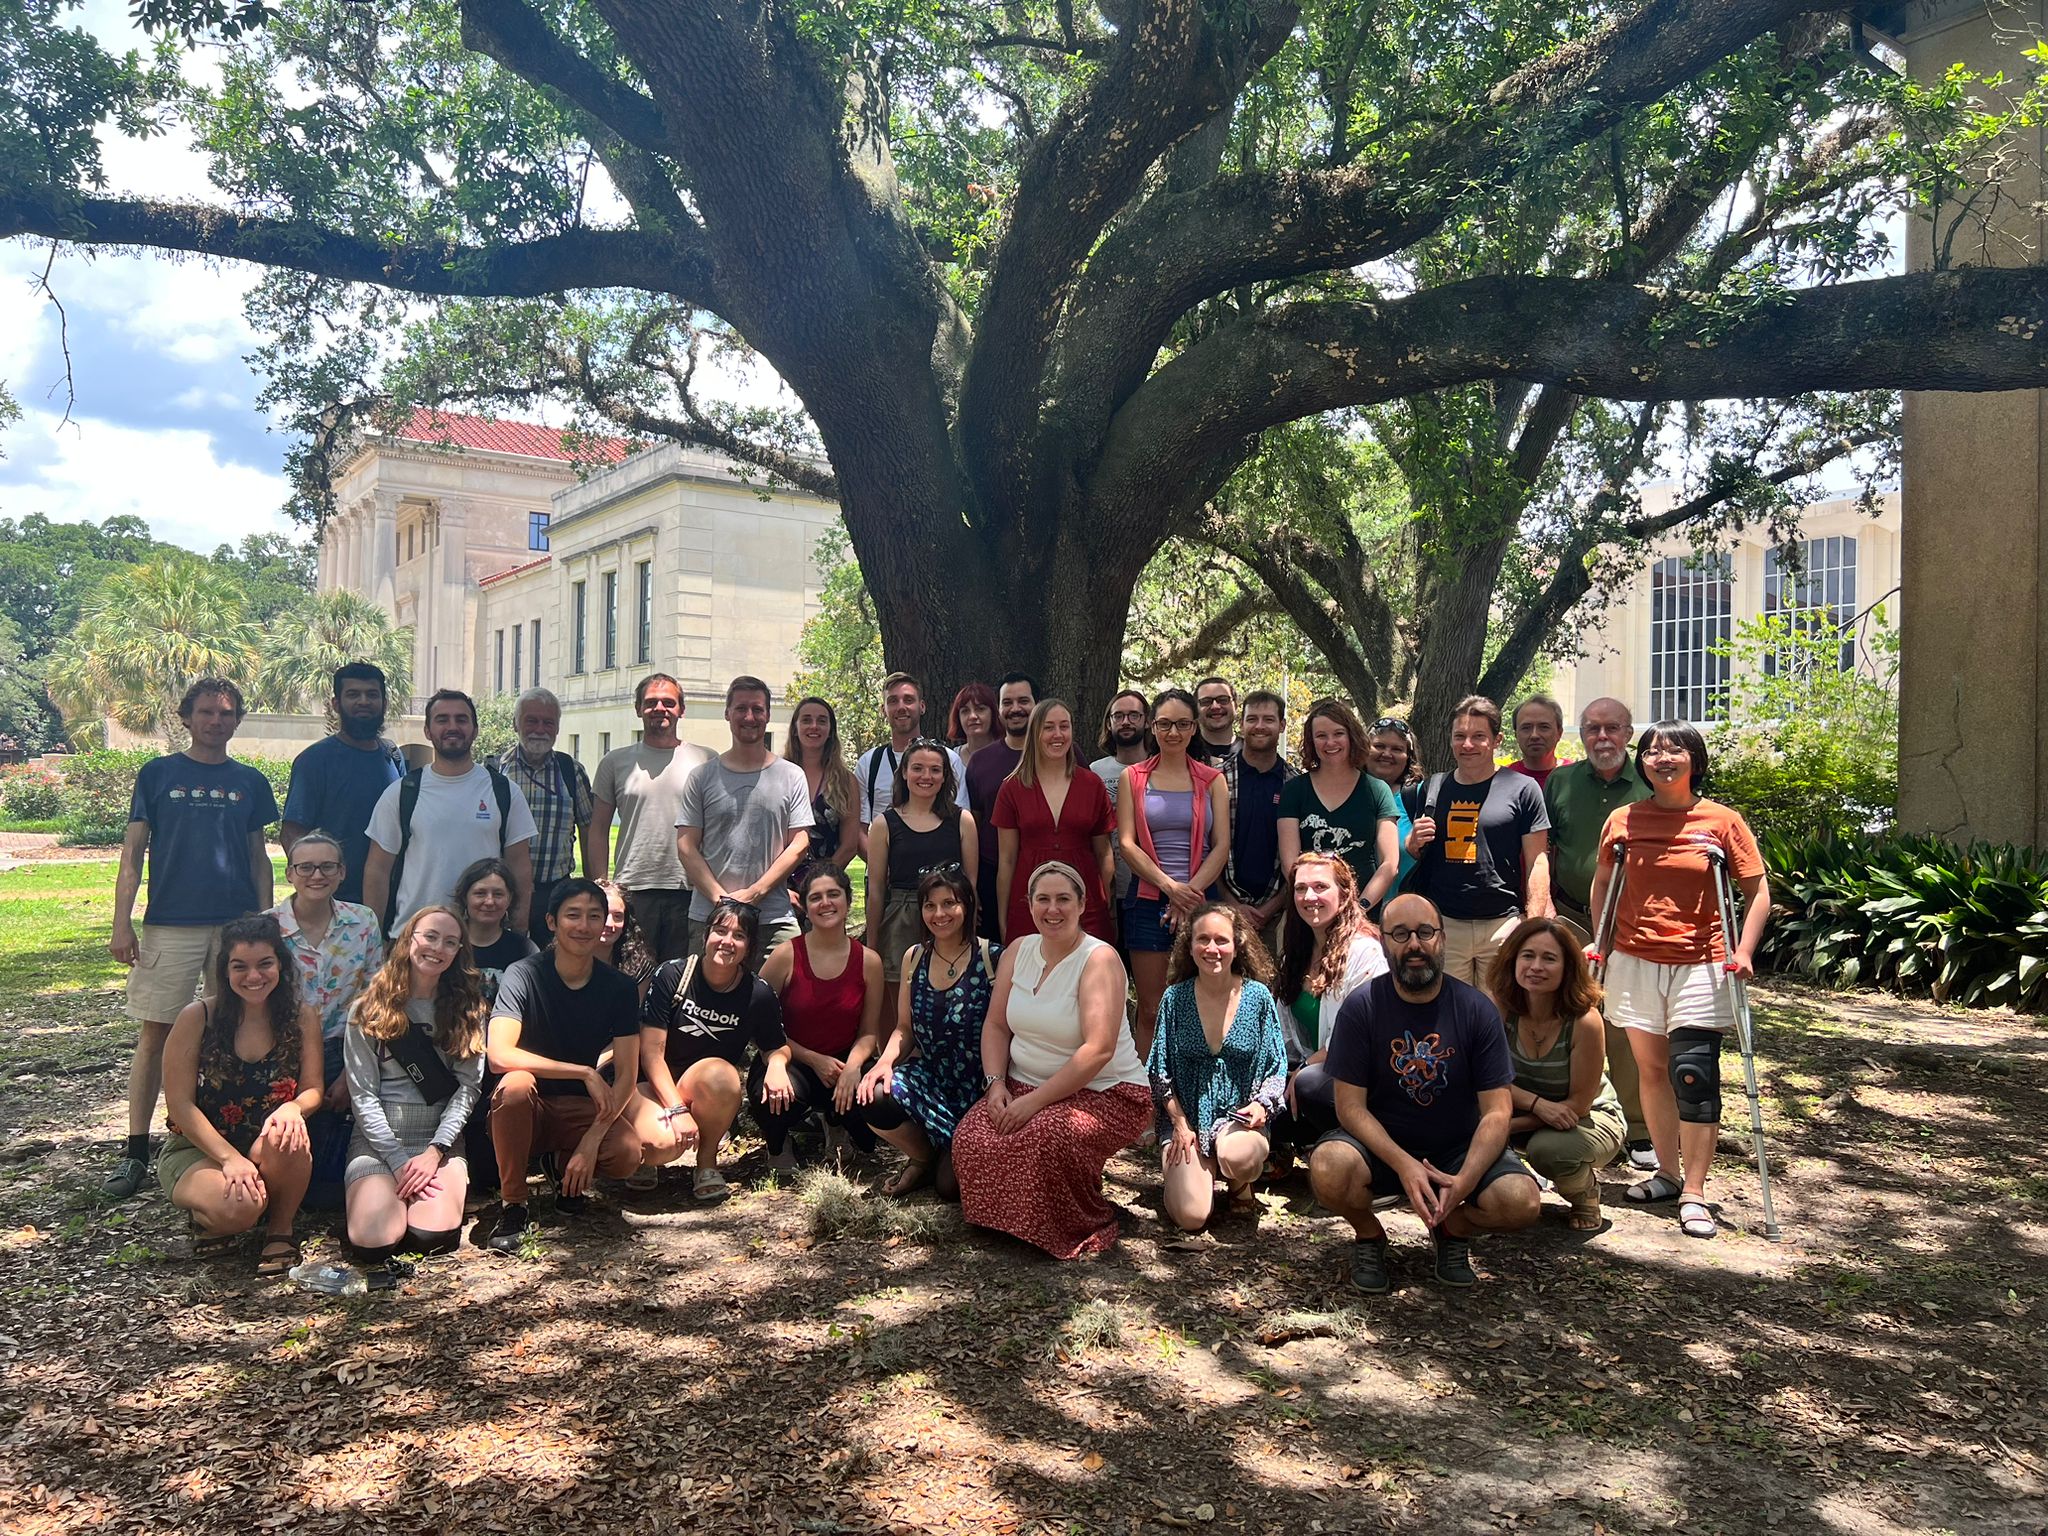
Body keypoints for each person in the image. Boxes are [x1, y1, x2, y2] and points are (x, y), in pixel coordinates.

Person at [1589, 721, 1769, 1242]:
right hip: (1635, 959)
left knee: (1692, 1071)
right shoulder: (1623, 820)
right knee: (1650, 1068)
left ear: (1695, 758)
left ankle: (1695, 1190)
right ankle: (1666, 1173)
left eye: (1674, 750)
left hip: (1703, 961)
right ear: (1640, 763)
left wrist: (1744, 950)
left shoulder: (1721, 821)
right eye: (1651, 751)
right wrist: (1602, 940)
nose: (1661, 758)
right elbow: (1603, 882)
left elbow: (1757, 892)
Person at [1307, 893, 1541, 1292]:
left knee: (1520, 1201)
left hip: (1457, 1147)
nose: (1414, 944)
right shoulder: (1361, 1007)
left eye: (1425, 932)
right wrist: (1403, 1163)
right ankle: (1369, 1236)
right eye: (1400, 934)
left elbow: (1498, 1112)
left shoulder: (1476, 1009)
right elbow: (1349, 1108)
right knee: (1328, 1167)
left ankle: (1451, 1227)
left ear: (1442, 940)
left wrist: (1465, 1180)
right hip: (1380, 1149)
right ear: (1384, 943)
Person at [106, 678, 280, 1199]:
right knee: (156, 1034)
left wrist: (266, 921)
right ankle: (137, 1149)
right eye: (206, 712)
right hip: (170, 922)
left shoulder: (250, 781)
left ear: (237, 721)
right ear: (186, 717)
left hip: (235, 928)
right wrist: (122, 921)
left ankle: (216, 1138)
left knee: (228, 1032)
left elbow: (258, 859)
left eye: (226, 714)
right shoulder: (158, 774)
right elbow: (134, 853)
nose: (216, 721)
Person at [952, 863, 1151, 1259]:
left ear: (1082, 905)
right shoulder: (1018, 951)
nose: (1052, 909)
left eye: (1063, 899)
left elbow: (1098, 1050)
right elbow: (995, 1026)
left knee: (1046, 1140)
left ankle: (1080, 1219)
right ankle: (1012, 1220)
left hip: (1104, 1092)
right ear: (1029, 905)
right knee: (971, 1137)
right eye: (1043, 899)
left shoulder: (1099, 959)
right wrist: (996, 1085)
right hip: (1021, 1085)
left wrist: (1034, 1101)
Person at [157, 914, 323, 1277]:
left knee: (290, 1134)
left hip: (267, 1141)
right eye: (240, 967)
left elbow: (313, 1089)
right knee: (240, 1210)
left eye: (265, 964)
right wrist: (230, 1159)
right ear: (225, 970)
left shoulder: (301, 1016)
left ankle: (280, 1230)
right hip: (198, 1147)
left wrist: (294, 1107)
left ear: (281, 964)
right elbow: (180, 1106)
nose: (254, 977)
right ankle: (211, 1217)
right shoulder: (198, 1016)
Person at [484, 880, 644, 1253]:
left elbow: (627, 1075)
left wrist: (590, 1142)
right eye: (573, 915)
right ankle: (514, 1204)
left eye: (594, 916)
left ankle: (560, 1166)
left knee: (626, 1153)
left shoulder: (619, 987)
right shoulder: (523, 974)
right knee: (516, 1084)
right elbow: (499, 1055)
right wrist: (583, 1071)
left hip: (579, 1110)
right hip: (526, 1107)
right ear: (552, 922)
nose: (584, 926)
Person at [1545, 696, 1654, 1168]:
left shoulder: (1652, 782)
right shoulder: (1561, 781)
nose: (1602, 737)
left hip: (1632, 923)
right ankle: (1571, 1113)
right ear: (1581, 734)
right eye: (1592, 728)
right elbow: (1545, 847)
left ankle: (1641, 1129)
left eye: (1612, 728)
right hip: (1571, 918)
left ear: (1629, 733)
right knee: (1564, 1019)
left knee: (1625, 1025)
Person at [342, 905, 486, 1260]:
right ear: (409, 940)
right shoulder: (368, 1008)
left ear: (457, 953)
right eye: (430, 937)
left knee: (427, 1237)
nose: (438, 948)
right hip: (378, 1140)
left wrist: (435, 1152)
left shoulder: (468, 1010)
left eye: (450, 942)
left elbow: (469, 1087)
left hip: (439, 1139)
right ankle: (377, 1193)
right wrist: (396, 1161)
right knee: (375, 1239)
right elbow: (362, 1095)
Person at [630, 898, 793, 1201]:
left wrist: (777, 1066)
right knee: (659, 1147)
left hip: (706, 1086)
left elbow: (776, 1047)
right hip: (652, 1084)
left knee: (724, 1076)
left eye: (739, 935)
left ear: (750, 947)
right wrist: (676, 1108)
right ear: (705, 935)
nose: (727, 941)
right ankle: (645, 1155)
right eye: (720, 931)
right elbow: (651, 1053)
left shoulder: (757, 993)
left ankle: (706, 1164)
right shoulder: (672, 975)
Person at [857, 867, 1000, 1197]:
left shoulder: (992, 957)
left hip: (980, 1088)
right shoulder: (915, 957)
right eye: (930, 905)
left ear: (967, 905)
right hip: (932, 1078)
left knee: (950, 1188)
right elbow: (904, 1029)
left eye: (949, 903)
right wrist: (883, 1064)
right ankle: (922, 1157)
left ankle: (952, 1153)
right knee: (874, 1095)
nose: (940, 914)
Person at [1149, 905, 1288, 1232]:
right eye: (1203, 939)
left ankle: (1237, 1180)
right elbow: (1158, 1071)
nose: (1212, 949)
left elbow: (1276, 1065)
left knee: (1239, 1156)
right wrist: (1180, 1124)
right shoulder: (1174, 999)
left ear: (1237, 944)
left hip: (1237, 1119)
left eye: (1221, 940)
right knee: (1192, 1217)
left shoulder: (1258, 997)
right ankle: (1200, 1173)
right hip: (1187, 1122)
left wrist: (1261, 1105)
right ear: (1190, 945)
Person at [267, 829, 384, 1207]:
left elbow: (375, 1000)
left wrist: (351, 1075)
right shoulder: (266, 928)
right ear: (290, 873)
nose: (316, 875)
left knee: (327, 1184)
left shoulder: (363, 922)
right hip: (283, 1052)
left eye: (327, 867)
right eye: (306, 867)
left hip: (346, 1048)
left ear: (342, 872)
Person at [1402, 695, 1552, 985]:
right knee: (1450, 1018)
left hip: (1502, 924)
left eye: (1478, 736)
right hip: (1444, 924)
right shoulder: (1432, 788)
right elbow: (1417, 852)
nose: (1467, 744)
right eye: (1460, 736)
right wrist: (1413, 843)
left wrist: (1531, 927)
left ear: (1497, 740)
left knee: (1498, 1018)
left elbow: (1537, 861)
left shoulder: (1522, 788)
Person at [1486, 918, 1625, 1231]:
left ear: (1568, 967)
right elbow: (1483, 1080)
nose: (1536, 966)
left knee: (1548, 1150)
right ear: (1512, 960)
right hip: (1523, 1114)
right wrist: (1534, 1106)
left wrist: (1505, 1128)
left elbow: (1577, 1105)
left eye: (1549, 958)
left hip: (1587, 1119)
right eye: (1527, 956)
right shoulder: (1498, 1008)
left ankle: (1584, 1196)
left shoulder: (1584, 1021)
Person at [364, 689, 537, 938]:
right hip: (414, 938)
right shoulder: (402, 793)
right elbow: (377, 870)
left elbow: (520, 867)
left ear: (475, 730)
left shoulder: (504, 791)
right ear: (427, 730)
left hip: (482, 938)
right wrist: (374, 939)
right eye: (442, 720)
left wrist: (519, 931)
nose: (452, 726)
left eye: (461, 719)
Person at [1118, 688, 1231, 1058]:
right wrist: (1170, 888)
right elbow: (1127, 844)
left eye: (1182, 724)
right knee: (1151, 1009)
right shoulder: (1132, 778)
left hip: (1202, 905)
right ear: (1153, 726)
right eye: (1165, 724)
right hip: (1150, 903)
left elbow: (1221, 846)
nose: (1173, 733)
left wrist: (1190, 894)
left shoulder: (1213, 780)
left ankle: (1195, 1091)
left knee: (1200, 1005)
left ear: (1194, 728)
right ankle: (1145, 1101)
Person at [676, 676, 816, 961]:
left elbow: (800, 842)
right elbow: (686, 846)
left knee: (781, 1001)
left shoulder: (791, 775)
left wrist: (755, 893)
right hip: (710, 917)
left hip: (773, 919)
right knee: (706, 1002)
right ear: (727, 714)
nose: (749, 717)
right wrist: (721, 901)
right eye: (741, 708)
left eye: (757, 709)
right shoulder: (702, 777)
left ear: (768, 715)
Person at [757, 865, 885, 1171]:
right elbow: (760, 1025)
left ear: (848, 900)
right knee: (774, 1101)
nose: (825, 903)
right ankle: (778, 1143)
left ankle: (835, 1123)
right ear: (805, 905)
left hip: (843, 1061)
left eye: (833, 894)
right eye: (816, 897)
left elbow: (868, 1032)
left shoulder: (869, 961)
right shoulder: (786, 955)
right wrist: (812, 1059)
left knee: (871, 1122)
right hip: (791, 1058)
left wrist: (854, 1068)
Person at [589, 674, 711, 964]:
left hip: (689, 890)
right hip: (632, 889)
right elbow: (598, 829)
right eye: (650, 702)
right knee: (631, 976)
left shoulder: (706, 760)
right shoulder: (615, 762)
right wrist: (602, 886)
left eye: (669, 702)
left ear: (681, 709)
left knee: (679, 979)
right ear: (637, 709)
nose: (660, 708)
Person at [1275, 853, 1389, 1142]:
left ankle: (1360, 1148)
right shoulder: (1295, 954)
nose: (1309, 896)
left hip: (1359, 1079)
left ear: (1345, 892)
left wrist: (1304, 1067)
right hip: (1308, 1069)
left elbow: (1359, 1036)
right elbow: (1284, 1037)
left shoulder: (1365, 952)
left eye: (1320, 887)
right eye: (1301, 888)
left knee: (1309, 1085)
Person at [866, 739, 978, 1017]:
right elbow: (877, 888)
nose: (926, 776)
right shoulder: (883, 824)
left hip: (950, 919)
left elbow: (971, 883)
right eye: (917, 768)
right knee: (897, 1005)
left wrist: (970, 929)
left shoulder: (962, 821)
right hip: (899, 921)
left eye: (935, 770)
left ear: (945, 776)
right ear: (904, 772)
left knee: (949, 1000)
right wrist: (872, 944)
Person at [280, 662, 405, 908]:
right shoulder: (314, 761)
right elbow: (293, 833)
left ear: (384, 703)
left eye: (372, 694)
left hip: (392, 899)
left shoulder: (393, 757)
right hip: (336, 903)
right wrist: (317, 886)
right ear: (336, 704)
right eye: (353, 694)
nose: (363, 701)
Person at [993, 698, 1115, 947]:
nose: (1057, 735)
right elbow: (1006, 860)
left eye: (1064, 726)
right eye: (1049, 727)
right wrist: (1004, 917)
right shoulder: (1012, 788)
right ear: (1035, 732)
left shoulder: (1092, 784)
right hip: (1030, 902)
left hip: (1085, 901)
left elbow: (1104, 852)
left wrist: (1105, 902)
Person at [1278, 698, 1400, 912]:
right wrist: (1315, 902)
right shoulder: (1294, 790)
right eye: (1321, 736)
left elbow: (1390, 864)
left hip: (1363, 914)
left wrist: (1359, 909)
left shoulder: (1377, 790)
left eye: (1338, 734)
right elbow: (1290, 864)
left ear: (1351, 736)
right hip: (1308, 911)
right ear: (1311, 741)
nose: (1330, 742)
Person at [494, 687, 596, 929]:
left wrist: (594, 889)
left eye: (548, 723)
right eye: (531, 721)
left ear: (558, 728)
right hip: (503, 893)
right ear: (515, 724)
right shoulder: (495, 772)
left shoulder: (572, 771)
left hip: (556, 893)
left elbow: (588, 830)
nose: (540, 729)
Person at [1217, 690, 1299, 958]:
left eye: (1268, 719)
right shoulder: (1217, 779)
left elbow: (1300, 858)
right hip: (1222, 908)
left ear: (1282, 725)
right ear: (1241, 724)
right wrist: (1232, 904)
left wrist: (1272, 908)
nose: (1260, 726)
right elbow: (1206, 846)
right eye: (1252, 719)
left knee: (1274, 994)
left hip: (1278, 914)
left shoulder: (1296, 785)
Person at [964, 673, 1036, 941]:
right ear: (1000, 710)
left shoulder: (1064, 753)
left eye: (1023, 701)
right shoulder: (980, 763)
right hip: (992, 874)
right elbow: (972, 826)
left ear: (1036, 705)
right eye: (1008, 702)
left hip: (1050, 872)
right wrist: (972, 886)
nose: (1015, 709)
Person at [857, 672, 967, 824]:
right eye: (893, 701)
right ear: (884, 710)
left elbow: (962, 819)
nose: (901, 707)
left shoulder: (948, 759)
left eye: (908, 700)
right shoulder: (868, 763)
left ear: (922, 707)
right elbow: (860, 827)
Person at [1088, 689, 1151, 938]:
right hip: (1106, 887)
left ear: (1147, 721)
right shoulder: (1095, 771)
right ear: (1109, 723)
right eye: (1119, 716)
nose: (1126, 722)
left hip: (1149, 885)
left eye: (1134, 715)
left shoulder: (1159, 767)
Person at [786, 696, 863, 890]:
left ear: (831, 731)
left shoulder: (846, 781)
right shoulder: (777, 775)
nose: (814, 726)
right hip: (780, 889)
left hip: (827, 887)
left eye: (822, 721)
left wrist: (818, 885)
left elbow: (849, 846)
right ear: (795, 729)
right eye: (806, 720)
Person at [455, 856, 538, 1003]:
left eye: (498, 894)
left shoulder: (525, 950)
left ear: (510, 899)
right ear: (464, 897)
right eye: (480, 893)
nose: (489, 901)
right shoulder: (449, 944)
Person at [1364, 716, 1426, 889]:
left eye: (1397, 749)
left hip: (1403, 911)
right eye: (1379, 746)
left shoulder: (1420, 796)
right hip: (1348, 908)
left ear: (1408, 757)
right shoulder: (1343, 791)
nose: (1387, 754)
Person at [1510, 696, 1566, 789]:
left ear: (1559, 733)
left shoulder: (1576, 778)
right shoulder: (1504, 781)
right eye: (1526, 728)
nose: (1534, 735)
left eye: (1544, 727)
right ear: (1516, 735)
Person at [1190, 676, 1241, 764]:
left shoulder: (1254, 752)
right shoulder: (1185, 753)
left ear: (1235, 705)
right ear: (1195, 709)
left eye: (1223, 700)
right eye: (1206, 701)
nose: (1215, 707)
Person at [947, 681, 999, 766]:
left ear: (993, 713)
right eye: (965, 711)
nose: (972, 716)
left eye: (980, 709)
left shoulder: (1010, 755)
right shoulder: (951, 760)